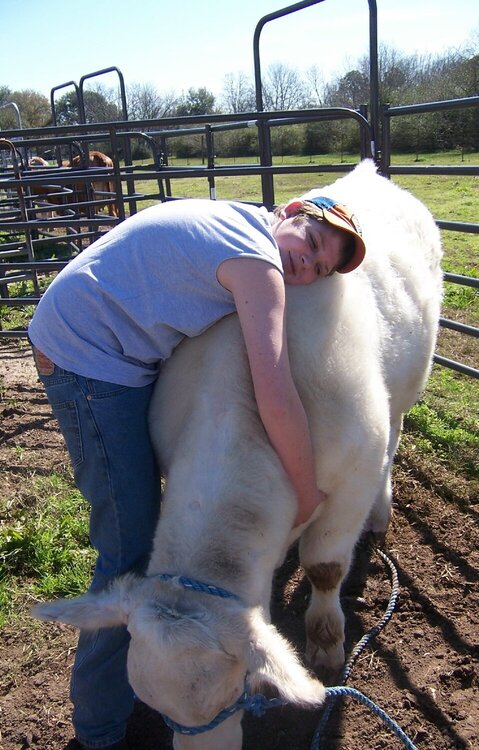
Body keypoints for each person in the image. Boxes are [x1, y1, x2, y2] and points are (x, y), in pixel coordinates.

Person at [28, 192, 365, 750]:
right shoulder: (258, 266)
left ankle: (137, 692)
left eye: (321, 266)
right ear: (288, 212)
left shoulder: (240, 223)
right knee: (129, 549)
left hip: (95, 338)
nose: (307, 265)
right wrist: (306, 492)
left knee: (141, 527)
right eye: (310, 243)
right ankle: (101, 728)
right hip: (88, 360)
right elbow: (276, 396)